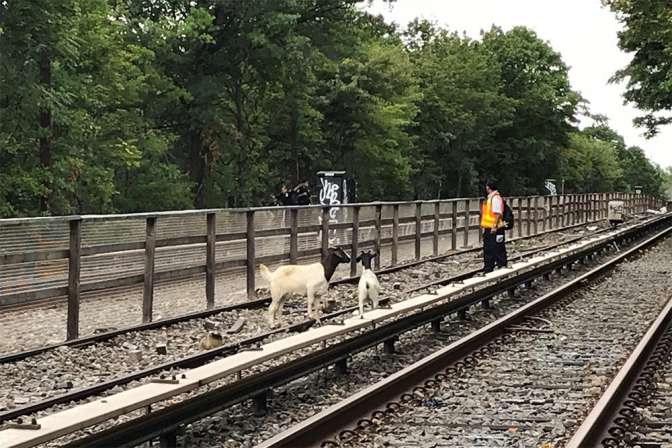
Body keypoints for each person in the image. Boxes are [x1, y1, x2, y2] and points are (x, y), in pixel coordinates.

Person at [481, 180, 508, 273]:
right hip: (490, 228)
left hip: (495, 229)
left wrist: (494, 226)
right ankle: (489, 269)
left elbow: (497, 214)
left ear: (488, 187)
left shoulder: (495, 198)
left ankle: (501, 268)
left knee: (497, 249)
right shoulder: (491, 198)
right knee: (489, 250)